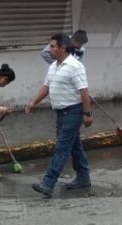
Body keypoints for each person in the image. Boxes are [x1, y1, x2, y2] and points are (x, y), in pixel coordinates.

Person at [26, 33, 93, 197]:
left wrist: (87, 113)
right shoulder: (54, 66)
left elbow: (84, 91)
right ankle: (83, 178)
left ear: (63, 48)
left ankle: (48, 183)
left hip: (73, 111)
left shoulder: (75, 66)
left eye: (52, 46)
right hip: (60, 113)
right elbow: (46, 87)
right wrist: (33, 101)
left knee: (62, 148)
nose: (49, 49)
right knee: (74, 146)